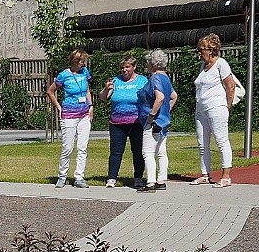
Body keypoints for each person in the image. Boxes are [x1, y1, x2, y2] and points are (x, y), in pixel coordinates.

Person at [191, 33, 236, 188]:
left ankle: (226, 176)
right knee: (202, 143)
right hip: (201, 109)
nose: (200, 51)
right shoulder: (202, 67)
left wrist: (227, 106)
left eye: (202, 49)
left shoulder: (221, 64)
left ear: (211, 50)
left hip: (217, 107)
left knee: (221, 140)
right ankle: (205, 174)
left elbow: (230, 86)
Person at [98, 55, 148, 189]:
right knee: (115, 151)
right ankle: (112, 178)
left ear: (134, 67)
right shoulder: (115, 81)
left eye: (127, 67)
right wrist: (106, 88)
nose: (124, 70)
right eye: (122, 67)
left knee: (137, 151)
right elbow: (103, 98)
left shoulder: (142, 81)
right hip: (117, 123)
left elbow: (149, 97)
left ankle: (138, 178)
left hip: (136, 122)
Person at [46, 49, 94, 189]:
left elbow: (87, 90)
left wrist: (91, 106)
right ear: (75, 61)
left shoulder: (84, 72)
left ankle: (79, 177)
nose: (83, 64)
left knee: (82, 147)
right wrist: (59, 107)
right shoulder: (63, 75)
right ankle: (62, 176)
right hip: (69, 115)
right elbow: (50, 91)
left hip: (84, 114)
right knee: (67, 148)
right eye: (81, 61)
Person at [136, 49, 178, 192]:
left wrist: (152, 115)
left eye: (148, 62)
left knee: (147, 152)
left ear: (152, 63)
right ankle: (161, 180)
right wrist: (166, 110)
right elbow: (174, 96)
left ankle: (150, 182)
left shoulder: (155, 78)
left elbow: (159, 97)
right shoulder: (166, 78)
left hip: (153, 122)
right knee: (161, 151)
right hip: (164, 121)